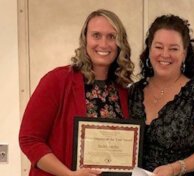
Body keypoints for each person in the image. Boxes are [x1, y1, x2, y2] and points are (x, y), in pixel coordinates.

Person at [19, 9, 134, 176]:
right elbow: (29, 140)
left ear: (120, 43)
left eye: (111, 36)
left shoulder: (122, 89)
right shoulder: (57, 80)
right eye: (96, 35)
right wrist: (68, 174)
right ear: (85, 39)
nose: (103, 44)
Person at [129, 14, 194, 176]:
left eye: (173, 48)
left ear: (184, 53)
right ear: (149, 49)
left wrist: (175, 168)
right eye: (158, 47)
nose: (165, 54)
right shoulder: (133, 92)